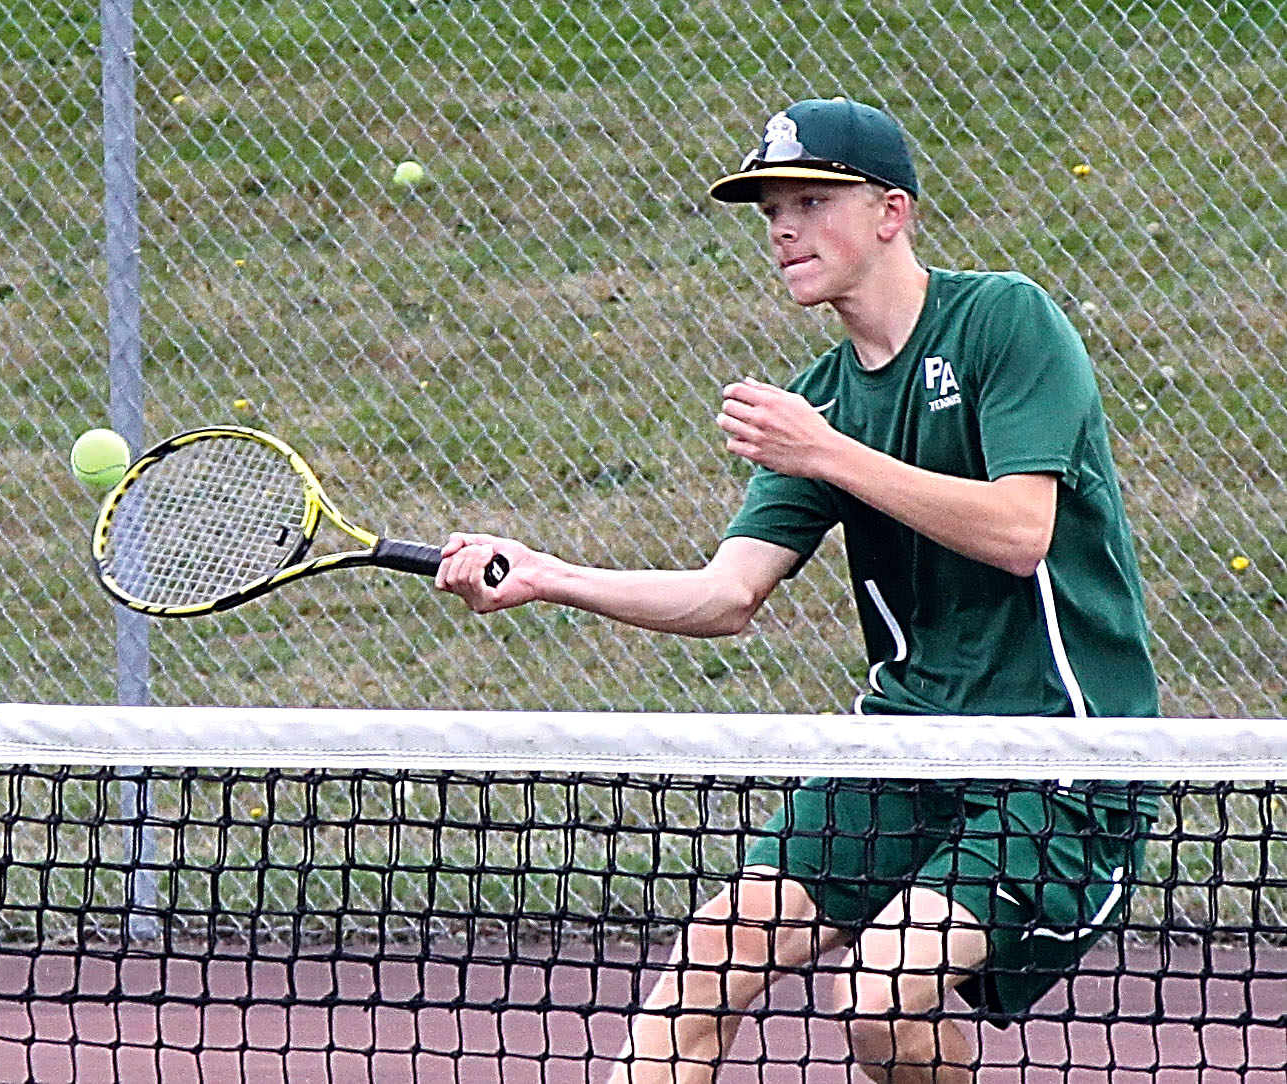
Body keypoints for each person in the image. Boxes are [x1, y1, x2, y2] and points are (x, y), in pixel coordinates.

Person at [435, 97, 1159, 1084]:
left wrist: (829, 451)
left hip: (1063, 755)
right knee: (714, 952)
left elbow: (1019, 532)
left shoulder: (1003, 322)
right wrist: (549, 575)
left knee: (881, 995)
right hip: (906, 747)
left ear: (890, 212)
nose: (781, 228)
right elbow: (725, 595)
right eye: (770, 207)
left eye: (811, 200)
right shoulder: (814, 402)